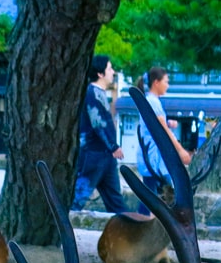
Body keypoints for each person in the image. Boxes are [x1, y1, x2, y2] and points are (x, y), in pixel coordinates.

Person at [71, 54, 127, 213]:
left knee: (116, 201)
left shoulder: (99, 93)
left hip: (105, 155)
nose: (113, 72)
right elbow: (99, 123)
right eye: (109, 68)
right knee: (78, 197)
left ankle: (127, 230)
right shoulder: (92, 93)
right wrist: (113, 145)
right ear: (100, 74)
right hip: (93, 154)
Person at [135, 65, 191, 216]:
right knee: (155, 197)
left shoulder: (152, 102)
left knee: (151, 197)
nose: (168, 85)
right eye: (166, 81)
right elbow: (163, 130)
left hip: (153, 159)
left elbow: (160, 125)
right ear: (156, 82)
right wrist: (180, 151)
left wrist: (169, 122)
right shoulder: (153, 102)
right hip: (154, 160)